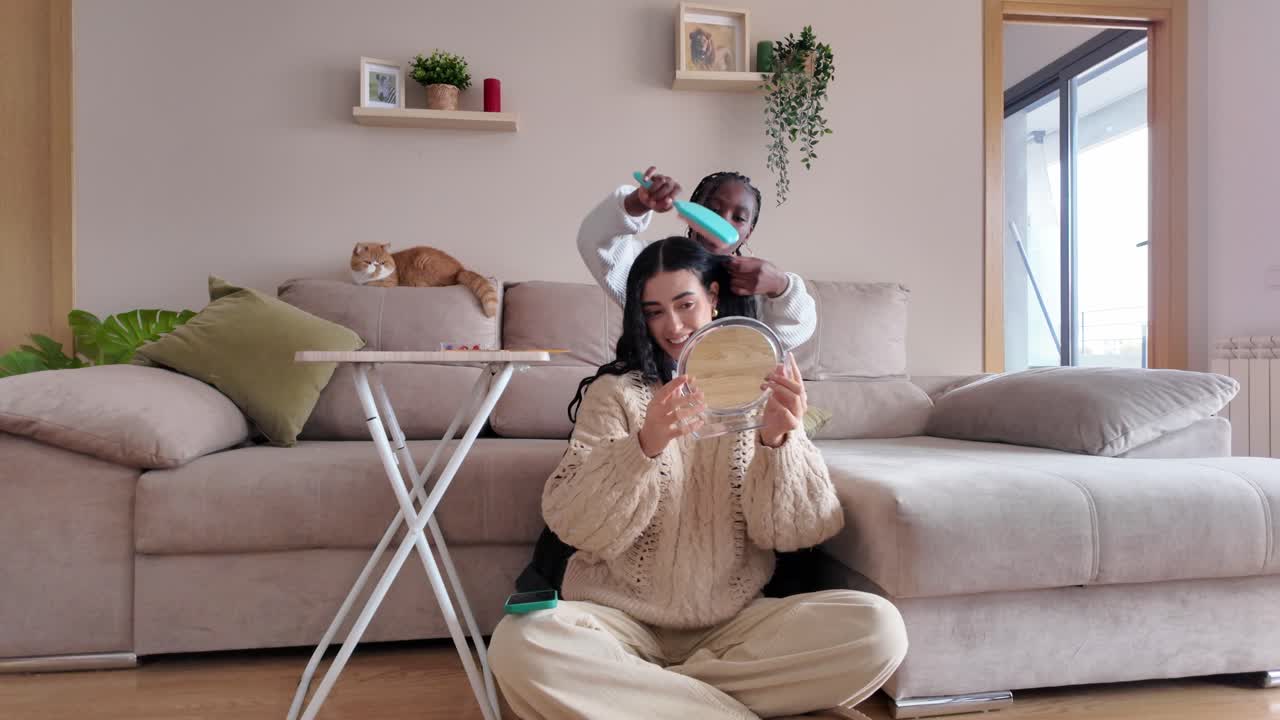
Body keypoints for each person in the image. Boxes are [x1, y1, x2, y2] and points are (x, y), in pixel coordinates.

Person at [491, 237, 907, 720]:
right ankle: (712, 705)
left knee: (879, 629)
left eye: (685, 304)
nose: (673, 326)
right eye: (655, 312)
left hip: (733, 626)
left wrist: (780, 443)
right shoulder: (615, 394)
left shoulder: (759, 388)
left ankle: (646, 697)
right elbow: (577, 526)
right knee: (521, 641)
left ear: (713, 297)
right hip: (618, 622)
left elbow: (799, 530)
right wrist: (644, 445)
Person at [577, 166, 818, 351]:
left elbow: (798, 328)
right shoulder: (655, 269)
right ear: (693, 210)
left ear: (748, 233)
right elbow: (595, 241)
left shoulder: (755, 286)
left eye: (739, 217)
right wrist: (636, 203)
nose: (723, 220)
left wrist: (782, 287)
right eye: (713, 209)